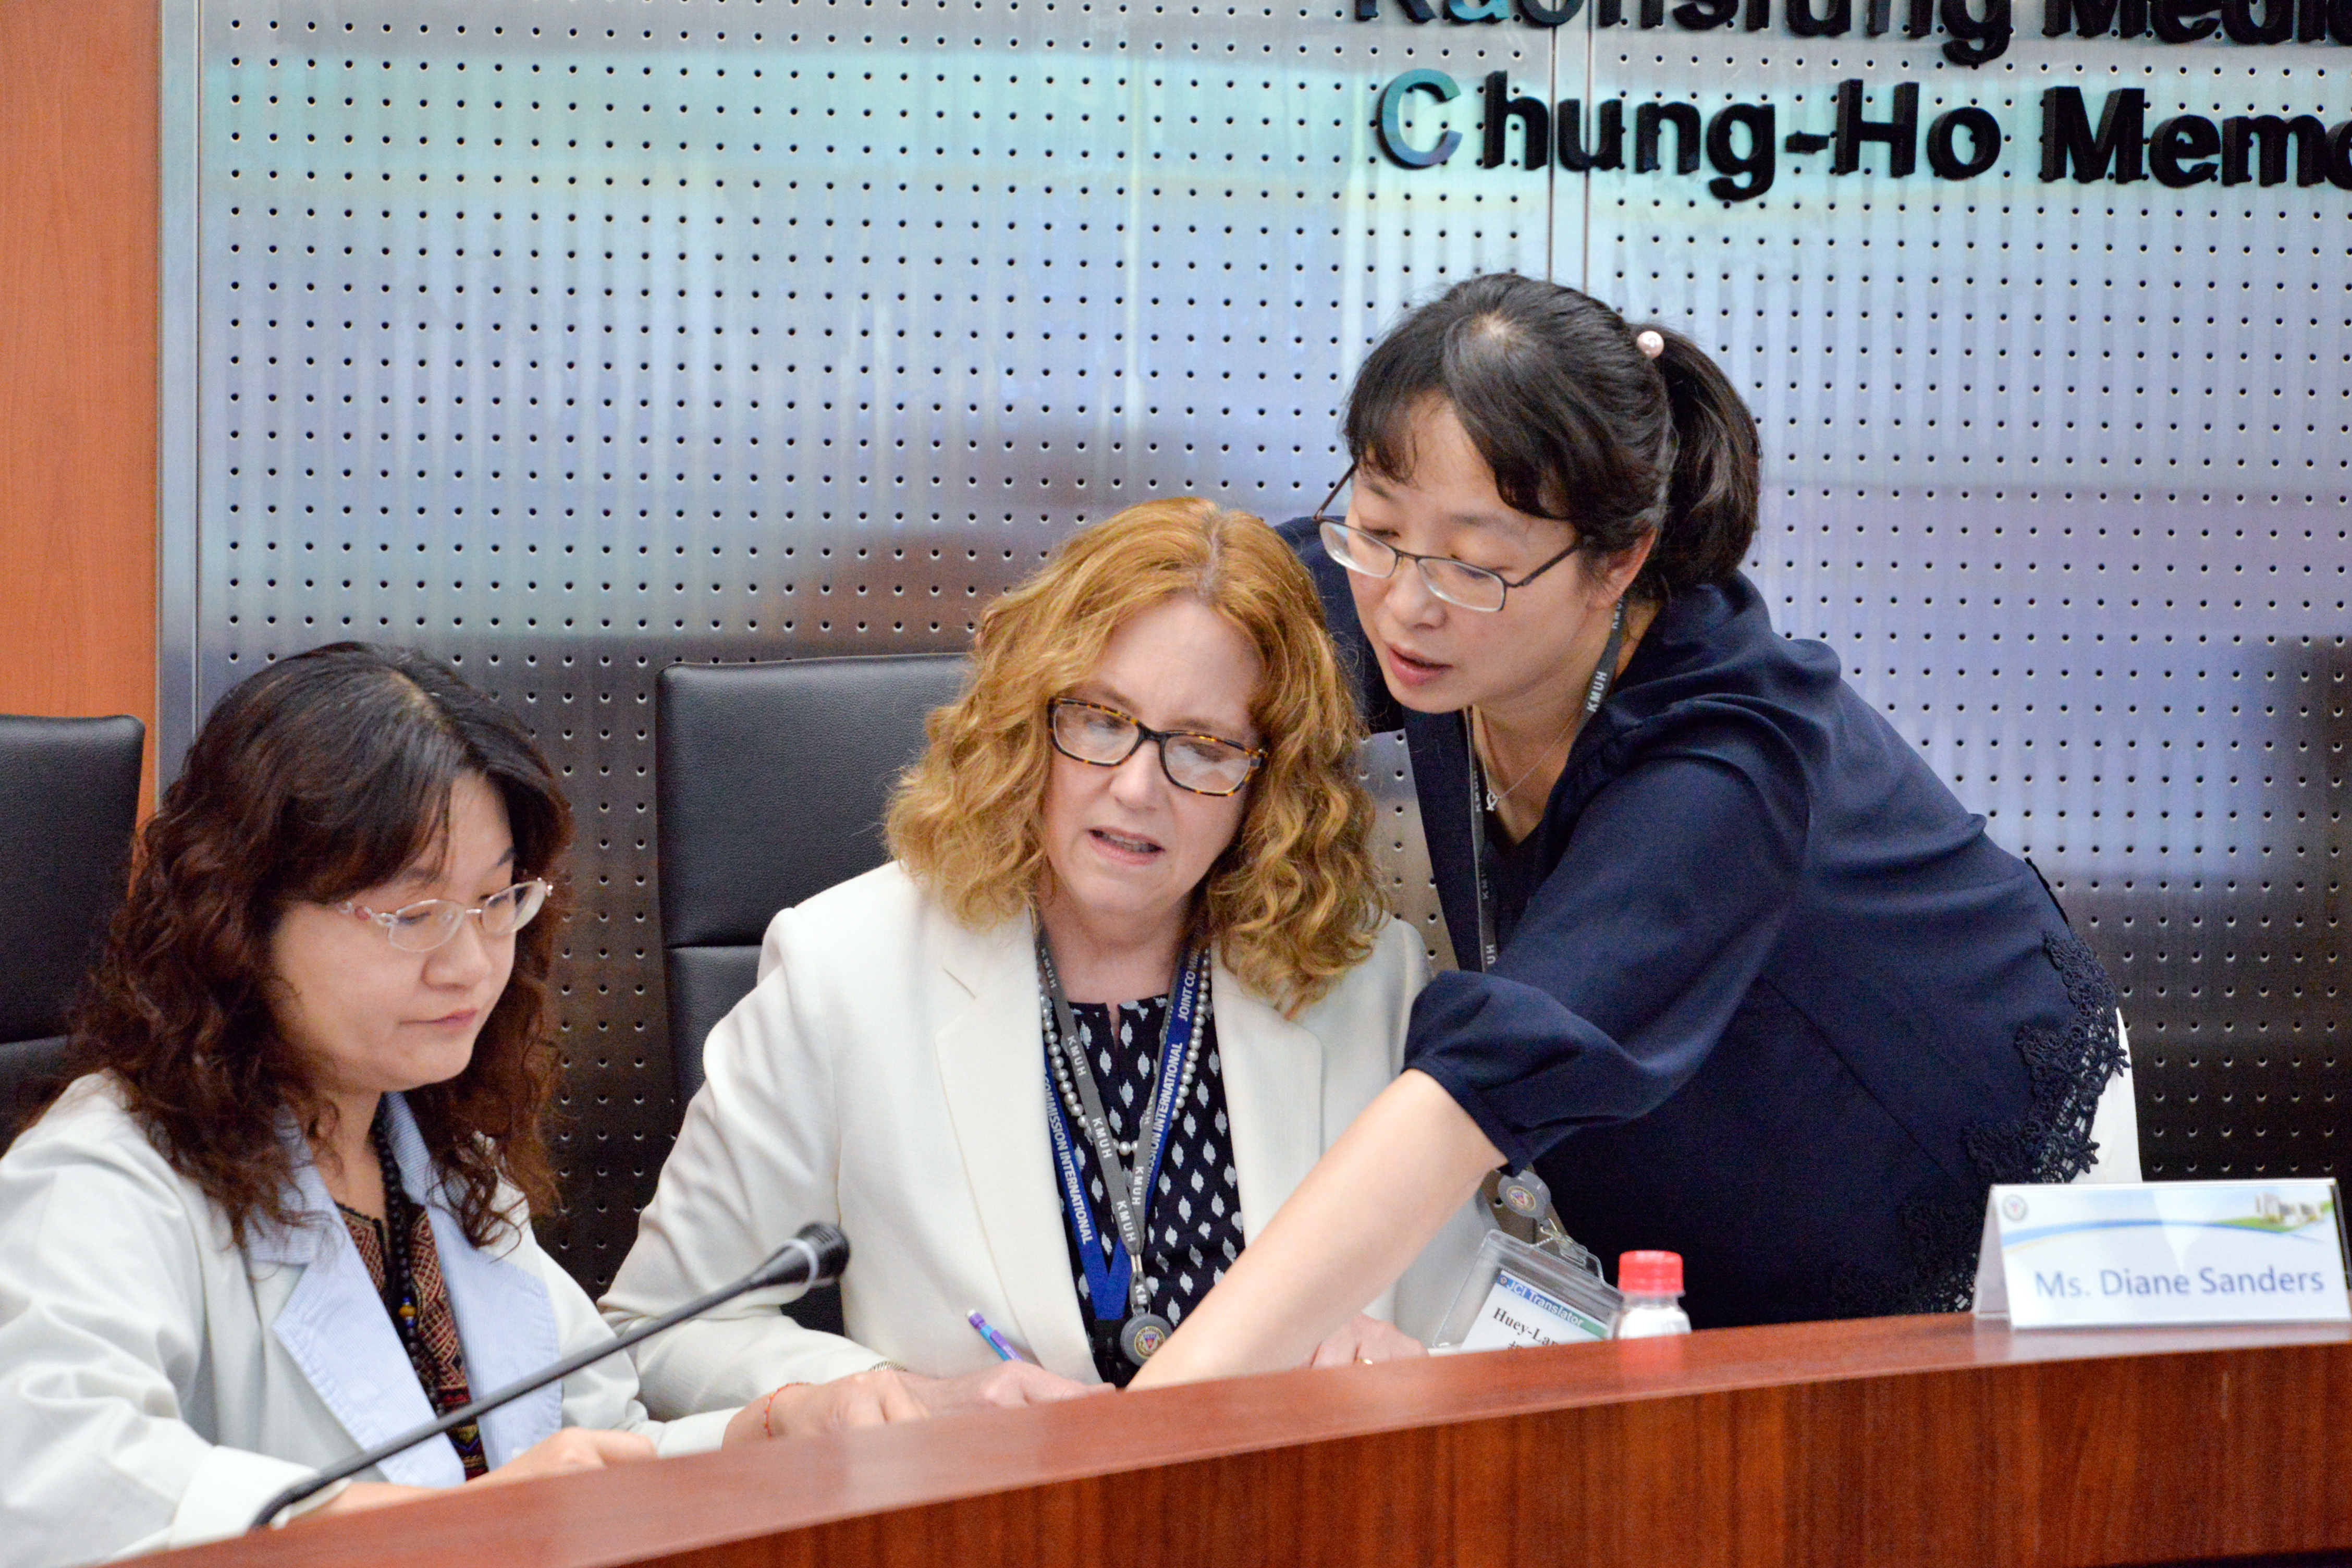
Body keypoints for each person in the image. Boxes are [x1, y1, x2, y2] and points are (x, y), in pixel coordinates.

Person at [1129, 275, 2139, 1386]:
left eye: (1473, 564)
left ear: (1617, 560)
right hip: (1692, 1162)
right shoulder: (1425, 590)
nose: (1407, 603)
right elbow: (1172, 631)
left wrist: (1147, 1426)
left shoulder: (1724, 760)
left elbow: (1464, 1102)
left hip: (1948, 1153)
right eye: (1376, 529)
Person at [602, 498, 1479, 1416]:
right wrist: (895, 1402)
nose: (1137, 788)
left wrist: (1413, 1360)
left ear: (1272, 781)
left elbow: (1471, 1310)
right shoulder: (844, 969)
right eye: (1101, 720)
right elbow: (661, 1334)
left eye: (1205, 748)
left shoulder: (1363, 976)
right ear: (1028, 719)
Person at [0, 645, 806, 1568]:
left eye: (496, 900)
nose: (471, 965)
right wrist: (432, 1530)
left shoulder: (429, 1147)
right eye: (414, 916)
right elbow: (50, 1482)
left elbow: (588, 1445)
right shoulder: (105, 1175)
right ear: (240, 916)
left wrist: (767, 1433)